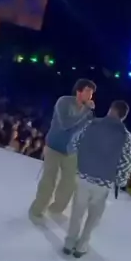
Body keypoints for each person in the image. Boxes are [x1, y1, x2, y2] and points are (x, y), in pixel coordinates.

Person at [63, 100, 131, 257]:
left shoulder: (92, 124)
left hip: (83, 176)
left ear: (110, 109)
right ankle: (82, 246)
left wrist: (76, 158)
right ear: (123, 116)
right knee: (94, 217)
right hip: (103, 182)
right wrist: (120, 181)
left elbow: (74, 142)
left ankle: (69, 242)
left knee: (77, 212)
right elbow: (127, 163)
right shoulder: (126, 136)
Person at [29, 79, 96, 220]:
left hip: (71, 151)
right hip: (54, 147)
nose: (90, 95)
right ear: (79, 91)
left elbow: (83, 130)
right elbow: (66, 124)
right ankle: (37, 209)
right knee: (49, 180)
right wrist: (85, 111)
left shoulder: (87, 112)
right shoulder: (64, 102)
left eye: (92, 93)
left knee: (69, 183)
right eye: (88, 91)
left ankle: (56, 209)